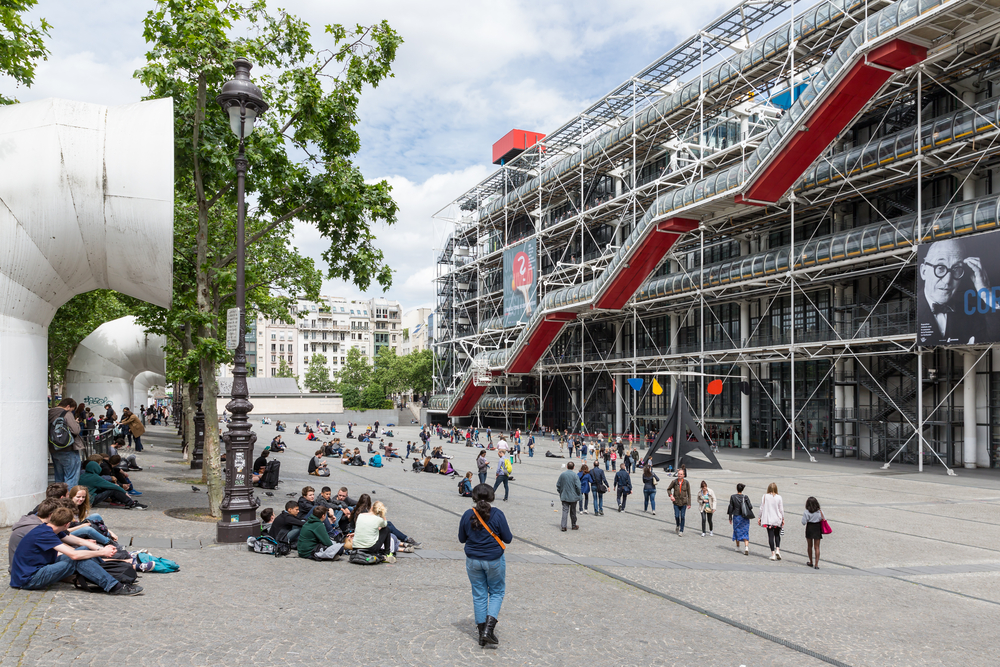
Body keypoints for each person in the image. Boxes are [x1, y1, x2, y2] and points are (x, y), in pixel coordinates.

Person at [9, 506, 141, 595]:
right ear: (67, 524)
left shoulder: (48, 528)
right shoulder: (45, 534)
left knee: (83, 550)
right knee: (76, 560)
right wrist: (102, 552)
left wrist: (100, 548)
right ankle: (114, 587)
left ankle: (111, 573)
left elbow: (76, 541)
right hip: (28, 579)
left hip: (37, 569)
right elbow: (73, 555)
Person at [918, 238, 1000, 345]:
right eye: (940, 268)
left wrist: (986, 293)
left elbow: (995, 338)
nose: (948, 280)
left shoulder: (969, 313)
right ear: (924, 272)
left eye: (956, 269)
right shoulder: (909, 313)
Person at [459, 484, 511, 647]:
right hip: (494, 560)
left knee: (479, 594)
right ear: (492, 497)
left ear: (473, 498)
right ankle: (488, 630)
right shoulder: (497, 514)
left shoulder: (468, 514)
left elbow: (461, 538)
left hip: (473, 560)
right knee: (496, 592)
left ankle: (482, 633)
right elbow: (508, 538)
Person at [79, 462, 146, 510]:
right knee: (113, 490)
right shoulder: (94, 477)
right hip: (90, 500)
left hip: (85, 499)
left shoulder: (82, 476)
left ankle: (119, 500)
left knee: (108, 488)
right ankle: (131, 503)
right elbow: (112, 486)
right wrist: (124, 492)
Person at [49, 398, 84, 488]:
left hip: (54, 448)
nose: (72, 411)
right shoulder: (66, 413)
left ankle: (59, 498)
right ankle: (68, 500)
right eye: (72, 409)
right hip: (68, 448)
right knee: (71, 477)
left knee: (59, 477)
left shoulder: (49, 413)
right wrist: (76, 423)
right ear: (68, 406)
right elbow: (75, 431)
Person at [758, 482, 785, 561]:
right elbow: (781, 509)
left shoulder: (765, 496)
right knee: (777, 535)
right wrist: (783, 518)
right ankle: (778, 550)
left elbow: (761, 508)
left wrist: (759, 517)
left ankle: (773, 554)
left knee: (770, 536)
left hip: (768, 520)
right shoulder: (779, 497)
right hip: (777, 519)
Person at [727, 483, 753, 556]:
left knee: (736, 530)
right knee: (745, 531)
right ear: (743, 489)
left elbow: (731, 507)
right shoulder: (745, 497)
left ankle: (738, 547)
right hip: (745, 517)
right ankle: (746, 547)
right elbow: (750, 506)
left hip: (737, 516)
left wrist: (730, 517)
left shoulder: (733, 497)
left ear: (736, 489)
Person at [556, 462, 582, 531]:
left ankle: (564, 526)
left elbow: (558, 485)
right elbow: (578, 487)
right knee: (573, 511)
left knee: (565, 511)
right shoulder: (575, 475)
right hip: (573, 497)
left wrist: (561, 492)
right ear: (573, 467)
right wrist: (578, 494)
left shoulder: (562, 475)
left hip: (564, 495)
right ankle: (573, 525)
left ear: (567, 466)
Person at [665, 469, 691, 535]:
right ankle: (677, 525)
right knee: (676, 516)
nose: (679, 475)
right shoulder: (674, 482)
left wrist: (689, 503)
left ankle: (681, 530)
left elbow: (689, 494)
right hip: (676, 502)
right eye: (679, 474)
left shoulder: (686, 483)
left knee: (682, 516)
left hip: (684, 502)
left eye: (681, 474)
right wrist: (671, 496)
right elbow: (668, 489)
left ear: (683, 475)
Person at [802, 496, 824, 569]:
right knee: (817, 547)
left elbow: (803, 522)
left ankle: (811, 561)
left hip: (810, 528)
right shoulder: (819, 511)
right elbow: (823, 518)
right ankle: (816, 564)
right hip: (817, 528)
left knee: (809, 546)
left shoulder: (806, 512)